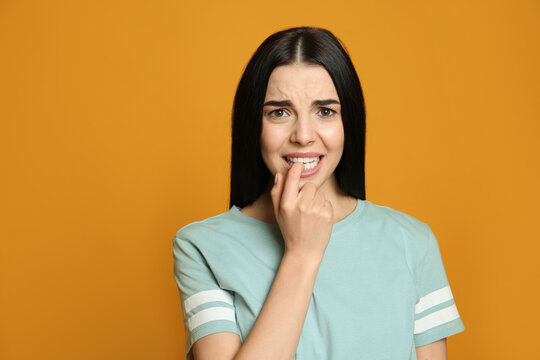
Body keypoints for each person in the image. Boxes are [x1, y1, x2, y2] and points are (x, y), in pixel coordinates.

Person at [172, 26, 465, 360]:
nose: (303, 135)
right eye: (279, 112)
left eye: (325, 111)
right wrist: (301, 255)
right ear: (253, 124)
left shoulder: (413, 243)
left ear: (348, 123)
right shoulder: (201, 247)